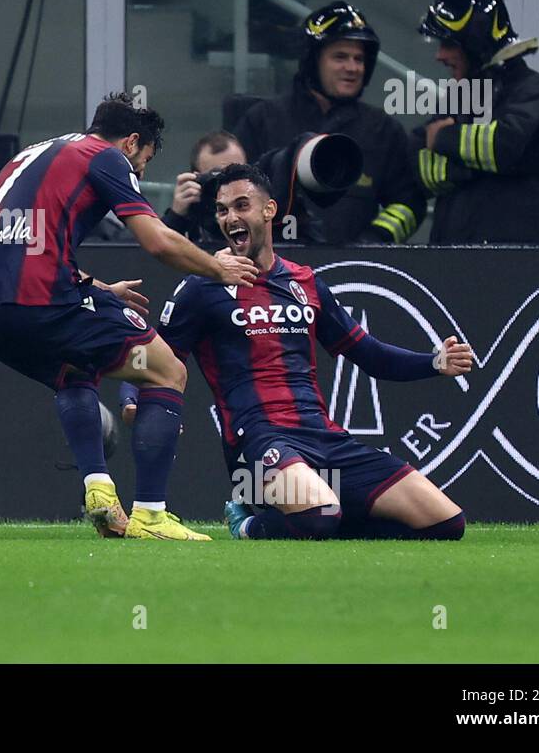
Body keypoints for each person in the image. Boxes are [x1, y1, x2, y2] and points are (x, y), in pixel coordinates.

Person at [0, 92, 258, 541]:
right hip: (45, 302)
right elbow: (158, 242)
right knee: (167, 372)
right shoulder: (105, 156)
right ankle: (152, 515)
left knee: (74, 370)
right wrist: (219, 267)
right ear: (132, 142)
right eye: (143, 161)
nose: (140, 173)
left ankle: (98, 489)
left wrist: (93, 287)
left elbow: (15, 244)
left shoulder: (31, 155)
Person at [159, 163, 472, 540]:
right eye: (223, 210)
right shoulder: (202, 286)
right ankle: (247, 523)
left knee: (447, 524)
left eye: (242, 206)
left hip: (324, 439)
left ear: (269, 211)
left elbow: (369, 354)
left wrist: (435, 362)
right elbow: (159, 354)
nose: (231, 218)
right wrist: (136, 400)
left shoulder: (304, 282)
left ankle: (323, 515)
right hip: (258, 447)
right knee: (320, 515)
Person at [233, 1, 426, 245]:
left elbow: (409, 203)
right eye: (340, 57)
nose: (353, 67)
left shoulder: (383, 130)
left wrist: (377, 238)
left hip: (353, 274)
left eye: (359, 59)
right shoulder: (262, 120)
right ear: (312, 61)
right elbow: (231, 197)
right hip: (274, 273)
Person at [414, 0, 539, 245]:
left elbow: (512, 147)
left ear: (475, 43)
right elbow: (420, 166)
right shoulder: (459, 97)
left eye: (448, 44)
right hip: (451, 265)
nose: (440, 55)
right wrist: (485, 166)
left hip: (522, 268)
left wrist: (444, 139)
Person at [163, 130, 248, 249]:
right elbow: (153, 257)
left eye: (237, 173)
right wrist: (176, 216)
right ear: (197, 178)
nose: (228, 184)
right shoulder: (190, 214)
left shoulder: (260, 211)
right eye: (218, 176)